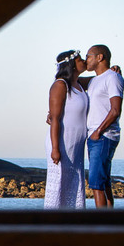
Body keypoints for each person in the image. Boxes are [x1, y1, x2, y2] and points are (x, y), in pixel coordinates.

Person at [44, 49, 88, 210]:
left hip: (76, 146)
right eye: (79, 59)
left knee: (73, 184)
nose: (83, 61)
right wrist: (55, 149)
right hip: (62, 141)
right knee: (59, 185)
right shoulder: (60, 85)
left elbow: (100, 80)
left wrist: (112, 71)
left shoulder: (79, 84)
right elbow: (55, 118)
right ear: (71, 64)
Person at [83, 44, 123, 208]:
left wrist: (98, 132)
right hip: (96, 137)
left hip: (103, 136)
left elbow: (115, 110)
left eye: (88, 56)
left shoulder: (112, 77)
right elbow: (67, 80)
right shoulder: (94, 80)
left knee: (96, 185)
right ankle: (110, 225)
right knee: (104, 183)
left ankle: (100, 228)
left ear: (100, 57)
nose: (86, 60)